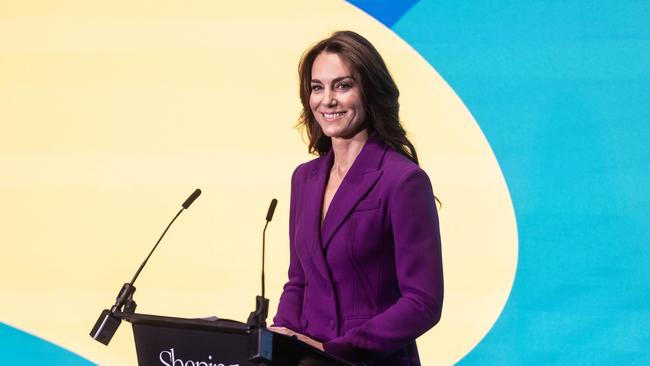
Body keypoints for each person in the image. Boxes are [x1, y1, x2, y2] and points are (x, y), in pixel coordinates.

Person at [269, 31, 443, 366]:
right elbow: (300, 281)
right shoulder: (304, 179)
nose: (327, 100)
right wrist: (281, 339)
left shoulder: (403, 180)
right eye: (317, 87)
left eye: (342, 85)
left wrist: (337, 351)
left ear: (370, 91)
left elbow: (423, 302)